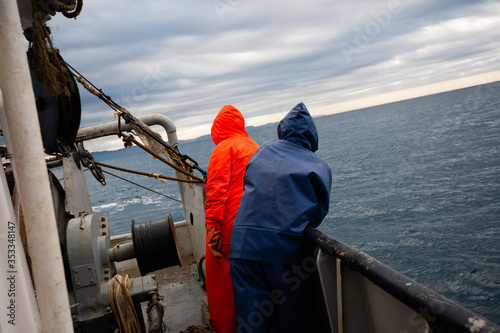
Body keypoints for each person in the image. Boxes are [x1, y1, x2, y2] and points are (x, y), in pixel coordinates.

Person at [229, 102, 332, 333]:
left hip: (242, 245)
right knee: (291, 321)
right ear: (311, 136)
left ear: (282, 130)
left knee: (251, 321)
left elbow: (249, 185)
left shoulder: (263, 150)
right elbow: (318, 212)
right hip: (282, 250)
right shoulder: (318, 166)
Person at [205, 105, 260, 333]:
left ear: (217, 128)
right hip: (257, 230)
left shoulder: (224, 148)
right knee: (255, 288)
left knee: (223, 290)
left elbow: (217, 190)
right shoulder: (256, 148)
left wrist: (213, 228)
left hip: (231, 231)